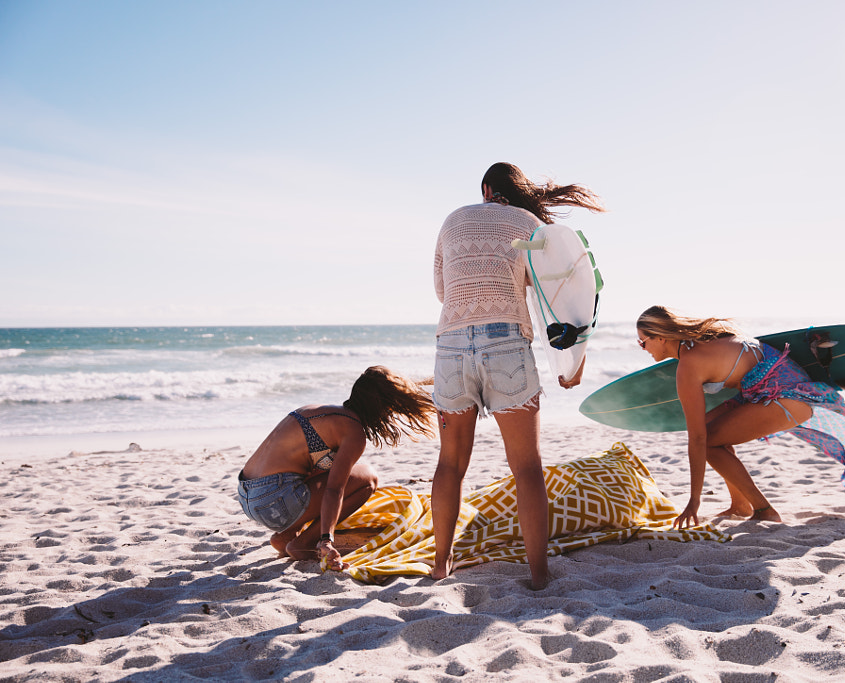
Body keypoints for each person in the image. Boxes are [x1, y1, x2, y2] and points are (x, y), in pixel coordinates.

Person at [430, 162, 605, 590]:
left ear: (486, 189)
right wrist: (572, 364)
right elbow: (560, 296)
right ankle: (539, 575)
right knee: (526, 466)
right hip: (505, 342)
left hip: (450, 346)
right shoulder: (529, 223)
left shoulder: (452, 219)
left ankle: (439, 564)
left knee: (450, 463)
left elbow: (441, 289)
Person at [636, 305, 845, 527]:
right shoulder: (714, 339)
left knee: (709, 442)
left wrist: (694, 501)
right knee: (710, 427)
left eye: (642, 341)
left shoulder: (689, 365)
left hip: (784, 399)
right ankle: (740, 506)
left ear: (659, 337)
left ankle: (764, 510)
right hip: (789, 392)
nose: (643, 348)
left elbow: (697, 439)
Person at [238, 366, 435, 571]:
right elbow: (334, 489)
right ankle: (303, 543)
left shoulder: (318, 411)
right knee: (368, 478)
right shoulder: (353, 431)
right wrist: (326, 540)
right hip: (275, 502)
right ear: (381, 407)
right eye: (391, 408)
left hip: (247, 497)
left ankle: (286, 536)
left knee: (327, 471)